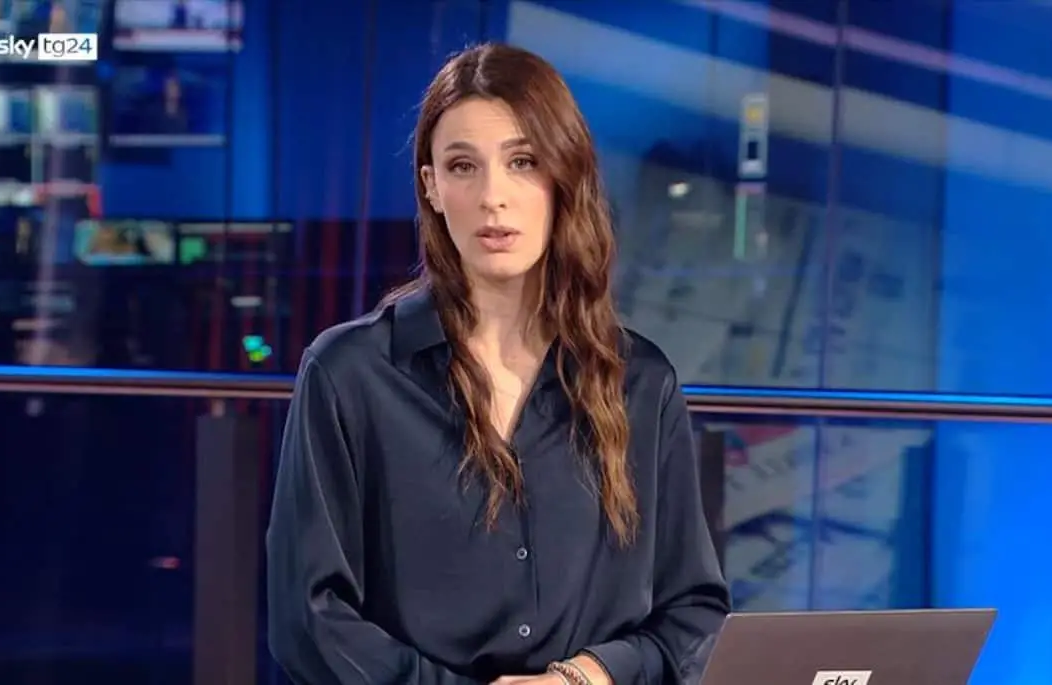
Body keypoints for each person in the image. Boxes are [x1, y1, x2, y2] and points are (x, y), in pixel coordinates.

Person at [266, 43, 731, 685]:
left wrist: (587, 676)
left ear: (563, 176)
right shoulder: (349, 375)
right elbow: (309, 618)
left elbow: (694, 614)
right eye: (463, 166)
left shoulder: (640, 382)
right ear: (431, 186)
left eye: (522, 162)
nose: (493, 197)